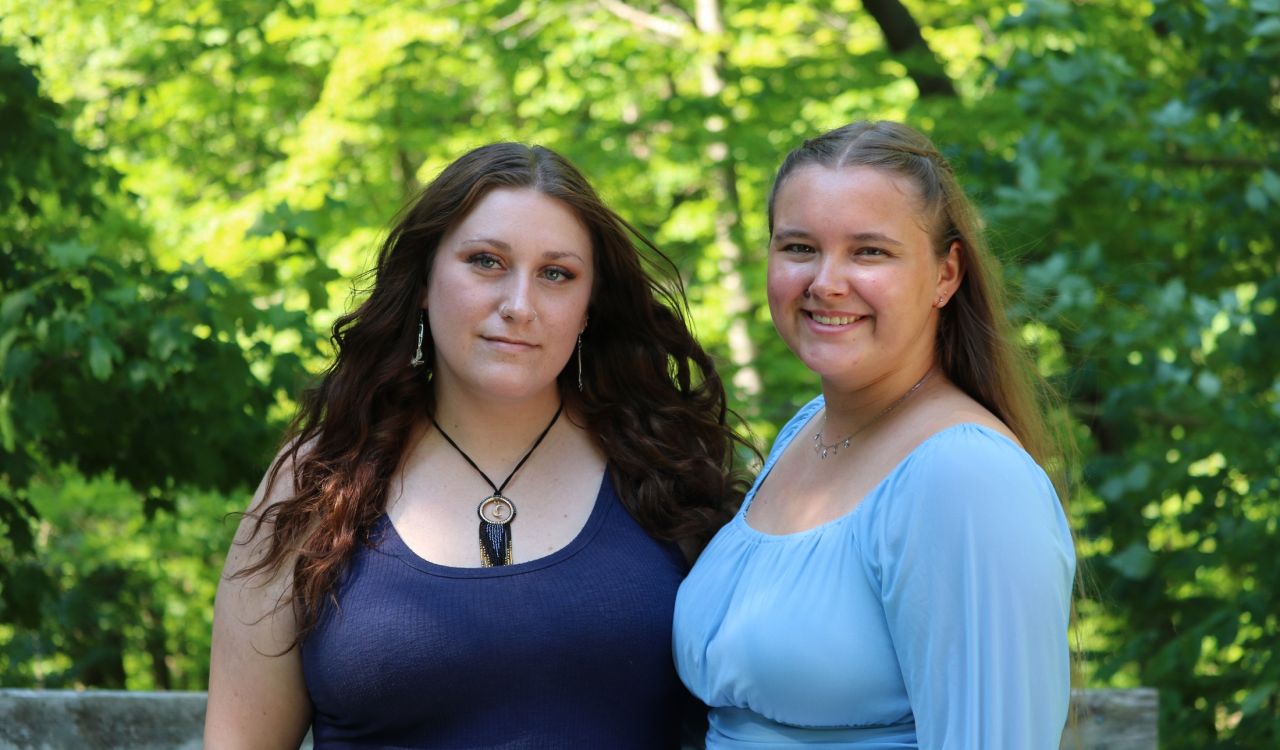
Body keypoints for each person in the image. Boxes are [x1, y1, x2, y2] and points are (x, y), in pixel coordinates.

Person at [205, 142, 749, 748]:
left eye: (556, 274)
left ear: (589, 306)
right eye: (486, 262)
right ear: (422, 281)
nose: (519, 306)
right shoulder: (317, 480)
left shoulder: (667, 467)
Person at [673, 121, 1077, 748]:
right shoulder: (805, 432)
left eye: (869, 252)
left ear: (946, 275)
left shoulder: (966, 477)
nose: (826, 282)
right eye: (799, 248)